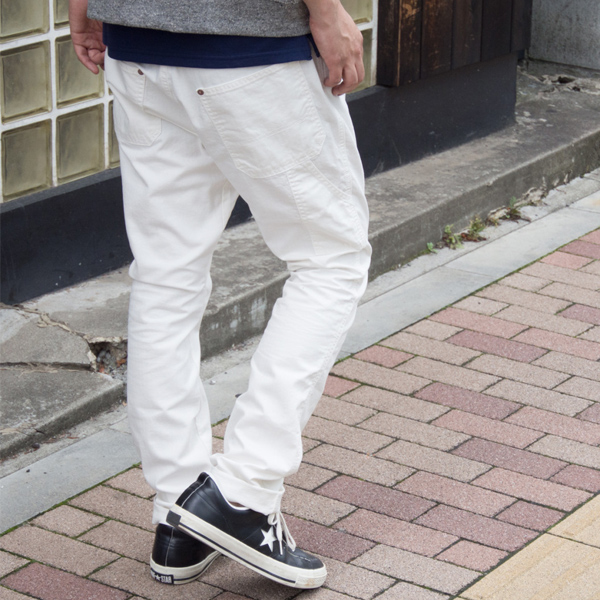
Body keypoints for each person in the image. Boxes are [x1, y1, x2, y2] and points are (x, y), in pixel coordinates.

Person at [69, 0, 371, 589]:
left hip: (138, 46)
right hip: (250, 46)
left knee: (165, 274)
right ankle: (242, 493)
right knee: (331, 259)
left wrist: (82, 6)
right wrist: (327, 10)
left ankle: (178, 513)